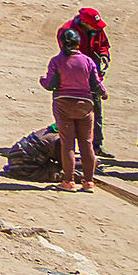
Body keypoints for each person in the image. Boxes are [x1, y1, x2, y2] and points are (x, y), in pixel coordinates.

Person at [43, 24, 103, 191]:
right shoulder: (88, 61)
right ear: (78, 44)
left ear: (62, 43)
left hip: (63, 104)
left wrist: (42, 80)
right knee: (87, 144)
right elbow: (96, 84)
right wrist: (103, 94)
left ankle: (68, 182)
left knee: (68, 144)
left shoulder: (56, 61)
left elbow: (50, 84)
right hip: (85, 105)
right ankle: (89, 182)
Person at [68, 7, 111, 158]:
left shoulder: (97, 29)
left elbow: (104, 45)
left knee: (97, 111)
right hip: (76, 80)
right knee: (72, 113)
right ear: (85, 23)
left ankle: (97, 146)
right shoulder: (68, 31)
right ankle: (68, 148)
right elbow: (69, 56)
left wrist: (104, 56)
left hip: (93, 77)